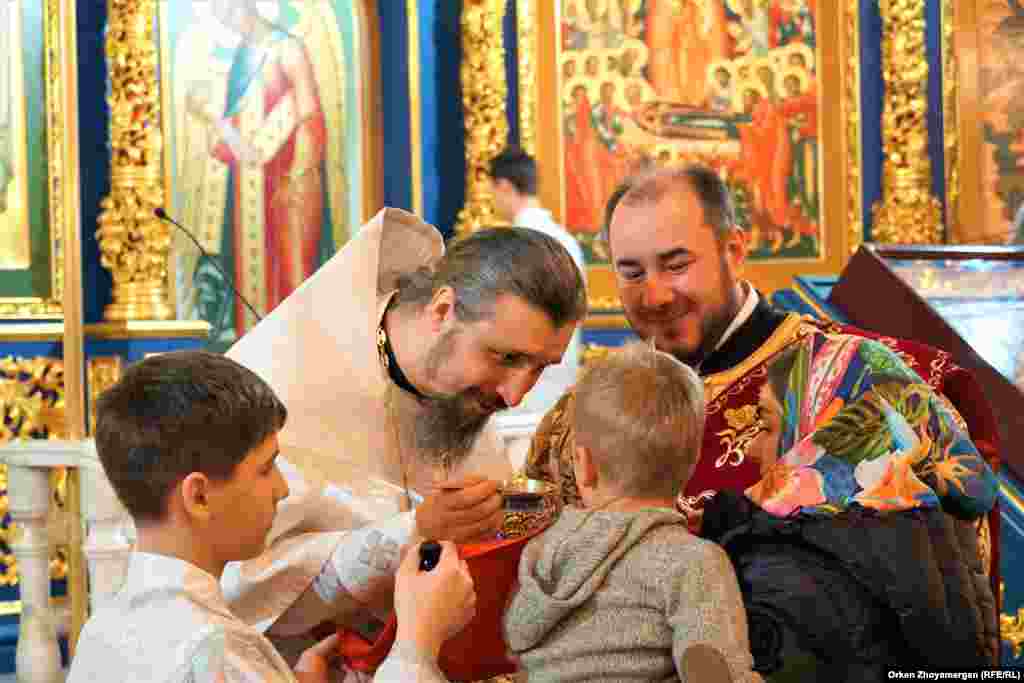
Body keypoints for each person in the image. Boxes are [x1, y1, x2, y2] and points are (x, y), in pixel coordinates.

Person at [522, 165, 999, 653]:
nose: (655, 295)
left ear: (735, 250)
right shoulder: (578, 414)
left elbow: (942, 576)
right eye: (632, 272)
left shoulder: (847, 376)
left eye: (677, 264)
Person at [222, 208, 587, 659]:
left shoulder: (465, 393)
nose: (515, 397)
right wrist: (412, 532)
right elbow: (237, 584)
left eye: (540, 369)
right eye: (506, 359)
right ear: (442, 309)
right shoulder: (280, 386)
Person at [68, 351, 477, 682]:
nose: (282, 489)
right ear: (199, 496)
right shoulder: (214, 651)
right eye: (265, 468)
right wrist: (417, 645)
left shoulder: (101, 628)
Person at [702, 331, 998, 678]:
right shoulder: (942, 536)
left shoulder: (784, 569)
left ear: (820, 434)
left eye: (767, 426)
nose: (751, 450)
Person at [503, 342, 761, 682]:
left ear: (584, 465)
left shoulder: (544, 553)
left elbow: (516, 640)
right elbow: (715, 669)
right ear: (692, 463)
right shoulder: (694, 562)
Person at [488, 146, 588, 419]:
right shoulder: (567, 241)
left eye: (492, 192)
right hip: (557, 384)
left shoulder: (517, 244)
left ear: (504, 186)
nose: (492, 200)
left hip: (522, 394)